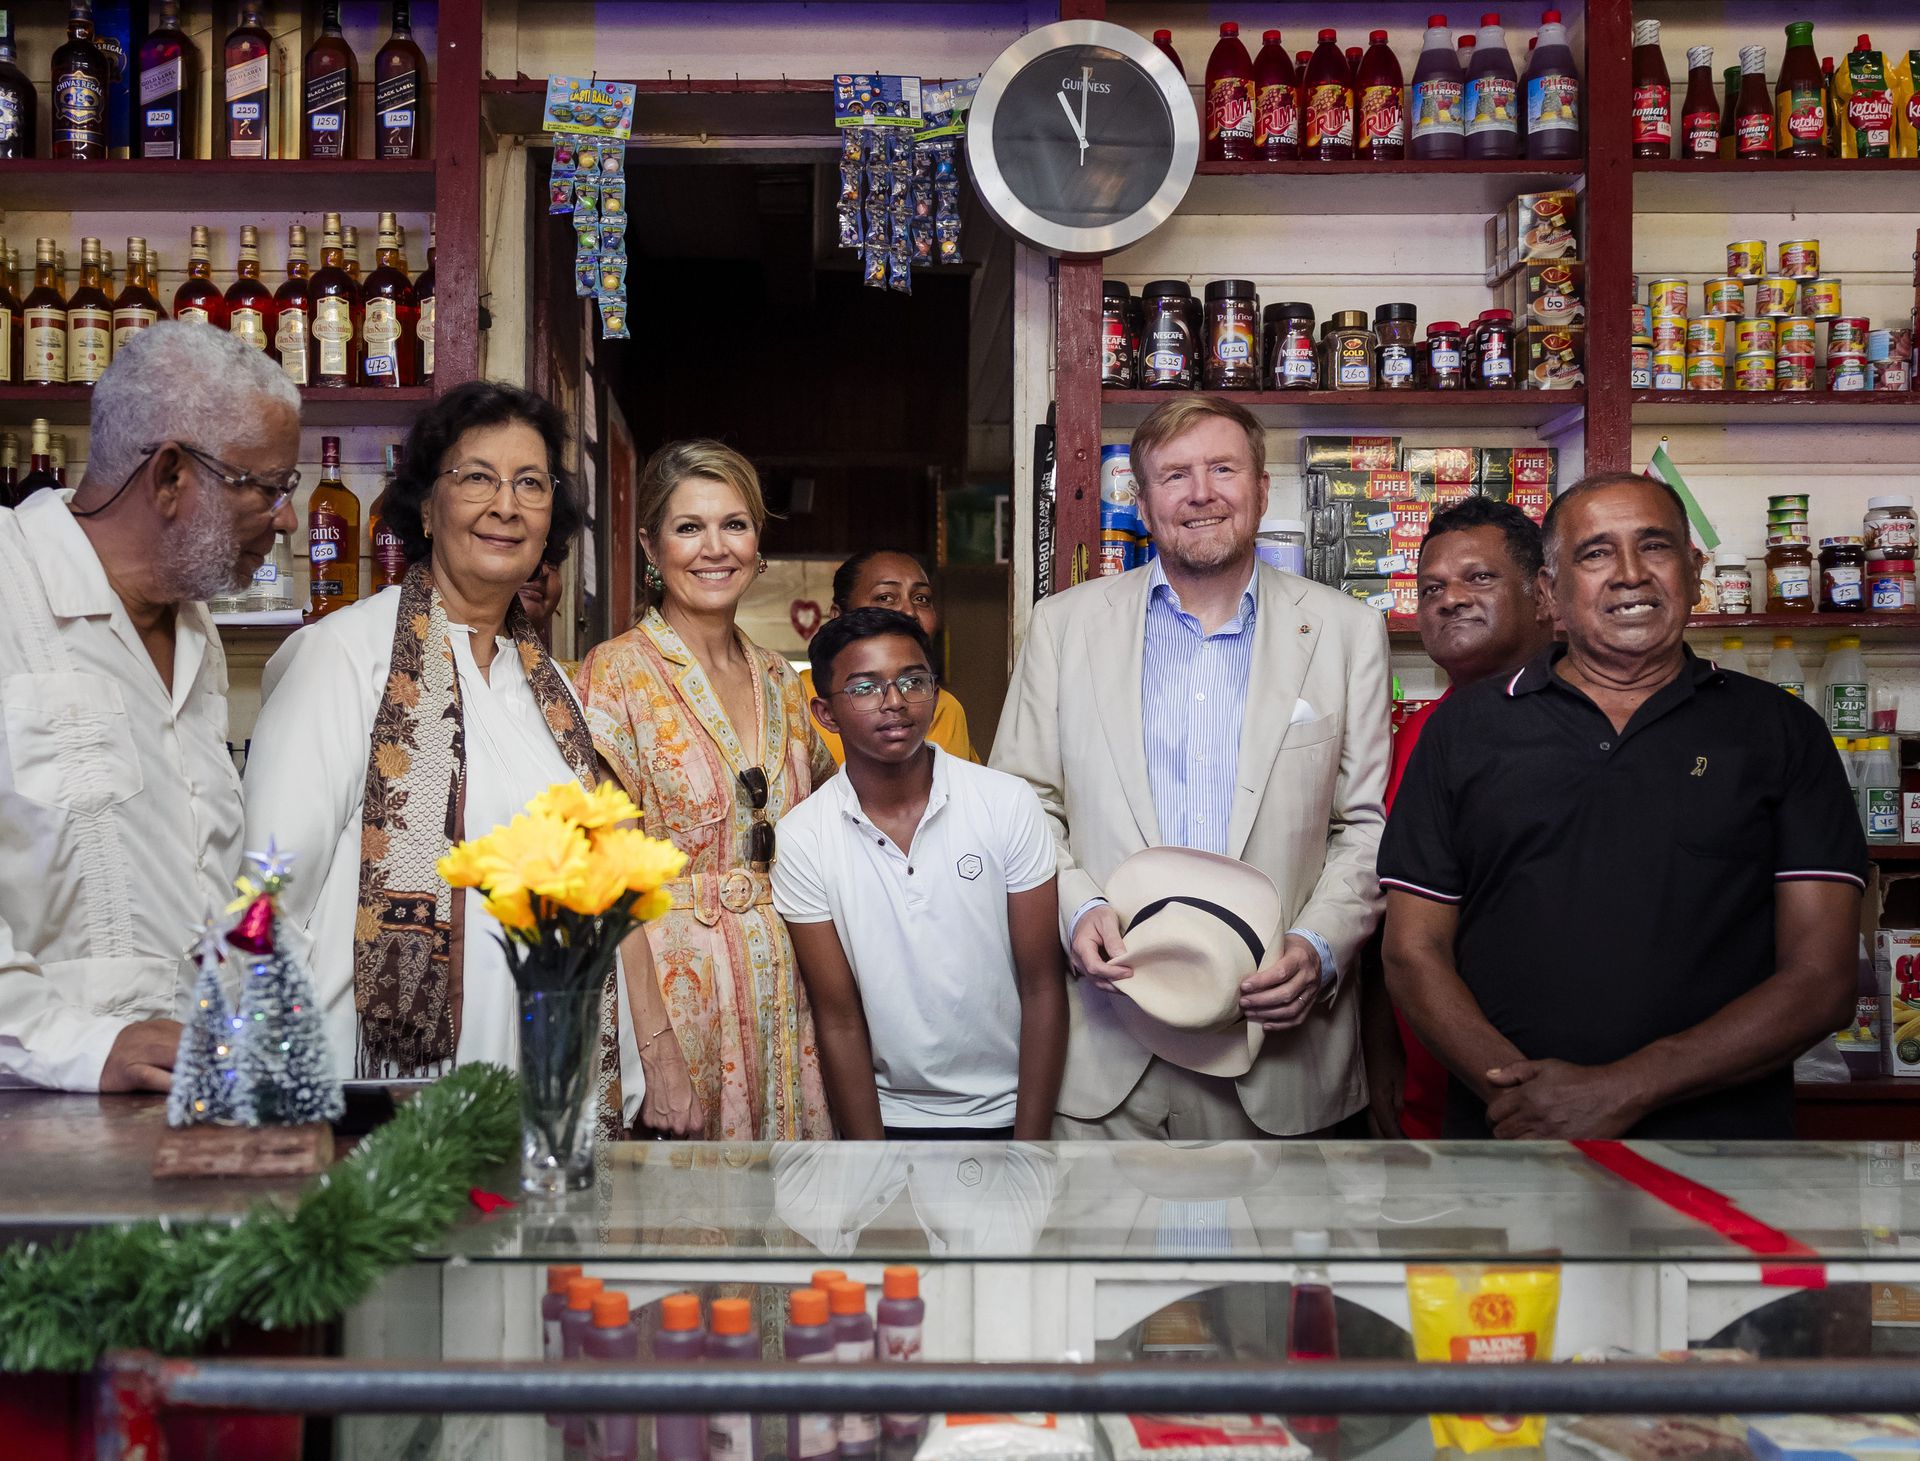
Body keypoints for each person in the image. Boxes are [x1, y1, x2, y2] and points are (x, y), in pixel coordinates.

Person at [1380, 472, 1867, 1140]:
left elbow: (1821, 979)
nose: (1630, 574)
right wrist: (1527, 1099)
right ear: (1550, 590)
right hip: (1511, 1147)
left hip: (1724, 1155)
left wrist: (1621, 1089)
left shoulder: (1780, 731)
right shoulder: (1462, 731)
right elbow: (1413, 952)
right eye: (1596, 553)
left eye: (1655, 546)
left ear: (1694, 572)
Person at [244, 382, 642, 1129]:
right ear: (427, 508)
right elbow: (271, 894)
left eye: (531, 483)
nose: (506, 506)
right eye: (478, 477)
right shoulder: (345, 658)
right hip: (373, 1094)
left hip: (539, 1082)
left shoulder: (552, 689)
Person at [993, 394, 1391, 1139]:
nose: (1201, 493)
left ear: (1262, 490)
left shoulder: (1346, 631)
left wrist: (1320, 946)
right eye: (1175, 475)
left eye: (1223, 469)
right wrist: (1074, 908)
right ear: (1143, 504)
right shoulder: (1063, 627)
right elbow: (1022, 804)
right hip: (1108, 1050)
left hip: (1279, 1054)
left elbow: (1363, 825)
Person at [0, 322, 298, 1091]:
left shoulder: (194, 626)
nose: (287, 518)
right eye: (267, 487)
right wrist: (85, 1046)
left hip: (192, 1095)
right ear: (169, 475)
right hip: (33, 1114)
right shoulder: (10, 588)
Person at [575, 440, 836, 1141]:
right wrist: (657, 1054)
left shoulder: (782, 680)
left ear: (757, 541)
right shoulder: (616, 674)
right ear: (650, 546)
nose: (715, 548)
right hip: (675, 997)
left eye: (735, 524)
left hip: (790, 992)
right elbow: (608, 880)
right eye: (689, 527)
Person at [773, 608, 1068, 1140]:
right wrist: (873, 1162)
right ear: (826, 713)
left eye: (913, 681)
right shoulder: (803, 837)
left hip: (1009, 1112)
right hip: (888, 1118)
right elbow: (838, 1018)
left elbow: (1043, 984)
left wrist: (1030, 1151)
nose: (895, 701)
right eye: (865, 688)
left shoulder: (1005, 802)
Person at [1363, 498, 1554, 1139]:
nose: (1450, 600)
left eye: (1479, 578)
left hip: (1555, 1092)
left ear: (1543, 595)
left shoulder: (1586, 724)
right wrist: (1381, 1045)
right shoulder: (1412, 733)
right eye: (1432, 589)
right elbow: (1387, 910)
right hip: (1431, 1089)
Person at [799, 549, 979, 765]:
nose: (909, 611)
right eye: (885, 597)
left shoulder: (947, 709)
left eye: (921, 598)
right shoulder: (793, 700)